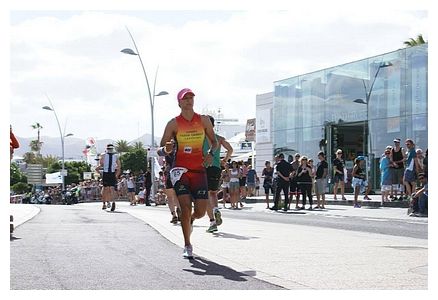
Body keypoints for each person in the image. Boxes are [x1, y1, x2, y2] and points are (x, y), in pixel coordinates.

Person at [158, 88, 218, 259]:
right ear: (179, 102)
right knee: (184, 207)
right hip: (180, 170)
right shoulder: (173, 123)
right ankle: (187, 245)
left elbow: (214, 142)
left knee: (199, 211)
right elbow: (160, 150)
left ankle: (191, 219)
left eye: (191, 97)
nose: (189, 100)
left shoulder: (204, 120)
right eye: (185, 98)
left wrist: (210, 155)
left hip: (199, 170)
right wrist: (166, 149)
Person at [203, 115, 233, 233]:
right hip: (216, 168)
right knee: (213, 194)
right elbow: (230, 149)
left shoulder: (201, 138)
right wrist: (224, 160)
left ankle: (212, 222)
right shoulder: (219, 138)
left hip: (204, 167)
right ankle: (216, 209)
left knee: (204, 197)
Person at [96, 144, 121, 211]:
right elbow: (119, 167)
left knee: (106, 189)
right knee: (110, 189)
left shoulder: (104, 155)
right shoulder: (115, 156)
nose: (110, 150)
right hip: (111, 173)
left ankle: (107, 203)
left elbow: (100, 164)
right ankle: (110, 202)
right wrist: (116, 175)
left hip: (107, 173)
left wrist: (100, 172)